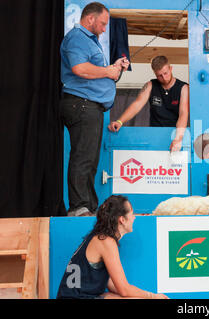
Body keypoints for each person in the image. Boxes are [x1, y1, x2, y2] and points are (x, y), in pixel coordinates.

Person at [60, 2, 130, 217]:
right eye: (102, 23)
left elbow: (96, 70)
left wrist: (114, 68)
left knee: (90, 159)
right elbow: (79, 68)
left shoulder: (91, 41)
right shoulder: (77, 38)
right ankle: (79, 207)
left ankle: (88, 206)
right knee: (83, 157)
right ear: (90, 18)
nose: (103, 28)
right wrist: (108, 71)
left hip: (91, 106)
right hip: (81, 104)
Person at [57, 195, 169, 299]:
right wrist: (153, 296)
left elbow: (113, 285)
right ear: (122, 220)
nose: (134, 218)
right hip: (75, 297)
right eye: (132, 213)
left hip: (74, 295)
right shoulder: (106, 241)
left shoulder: (100, 237)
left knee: (110, 295)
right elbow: (124, 289)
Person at [108, 56, 189, 152]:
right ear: (155, 73)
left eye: (165, 73)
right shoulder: (150, 85)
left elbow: (183, 113)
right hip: (154, 134)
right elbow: (137, 105)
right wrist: (120, 121)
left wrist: (178, 138)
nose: (164, 78)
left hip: (176, 134)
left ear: (170, 69)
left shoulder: (184, 88)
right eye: (159, 75)